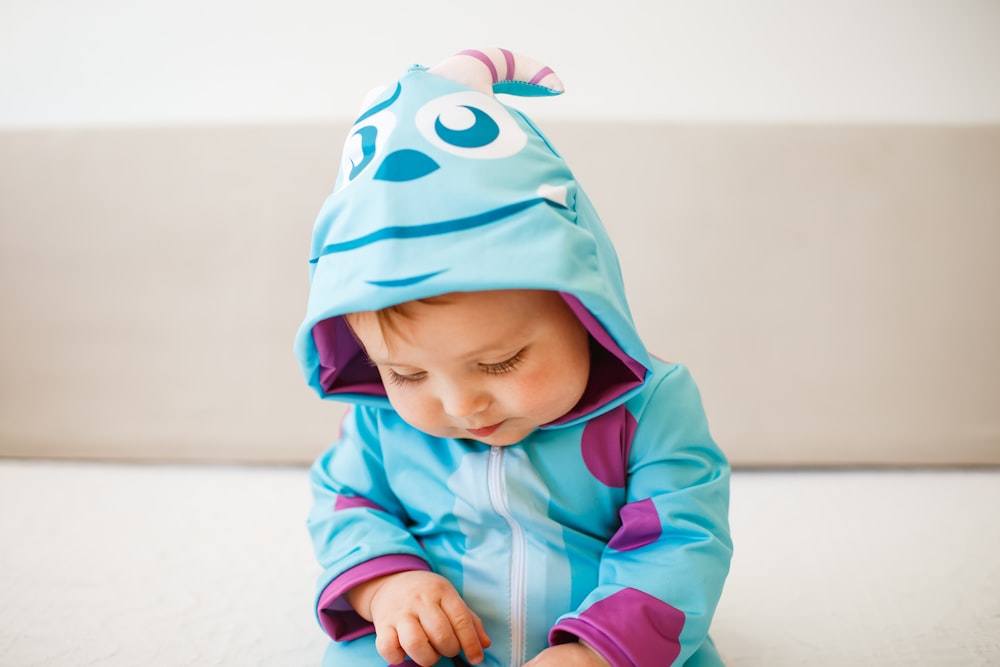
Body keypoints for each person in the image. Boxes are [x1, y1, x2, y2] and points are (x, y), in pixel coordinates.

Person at [295, 47, 733, 667]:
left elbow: (684, 542)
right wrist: (387, 584)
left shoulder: (654, 409)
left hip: (615, 648)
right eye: (407, 373)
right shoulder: (379, 420)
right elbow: (347, 506)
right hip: (437, 646)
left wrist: (594, 653)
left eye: (499, 363)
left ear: (585, 314)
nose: (460, 404)